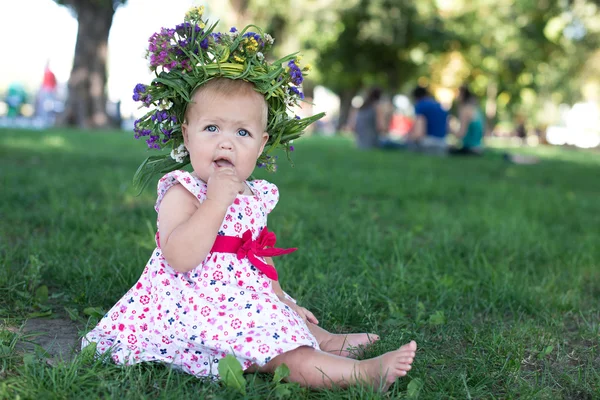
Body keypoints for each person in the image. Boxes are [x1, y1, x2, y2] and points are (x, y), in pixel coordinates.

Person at [82, 7, 417, 392]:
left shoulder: (254, 193)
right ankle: (362, 376)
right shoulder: (182, 189)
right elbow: (179, 257)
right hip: (196, 308)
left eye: (242, 133)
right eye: (211, 128)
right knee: (283, 356)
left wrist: (281, 300)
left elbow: (255, 258)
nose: (226, 141)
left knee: (291, 321)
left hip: (244, 298)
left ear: (260, 147)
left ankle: (322, 338)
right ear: (187, 137)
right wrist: (215, 202)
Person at [404, 85, 449, 155]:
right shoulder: (439, 106)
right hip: (443, 144)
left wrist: (408, 137)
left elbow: (419, 133)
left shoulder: (421, 106)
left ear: (416, 97)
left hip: (429, 143)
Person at [449, 86, 484, 156]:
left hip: (470, 149)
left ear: (462, 95)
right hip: (479, 148)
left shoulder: (465, 111)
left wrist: (449, 130)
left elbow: (461, 134)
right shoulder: (475, 109)